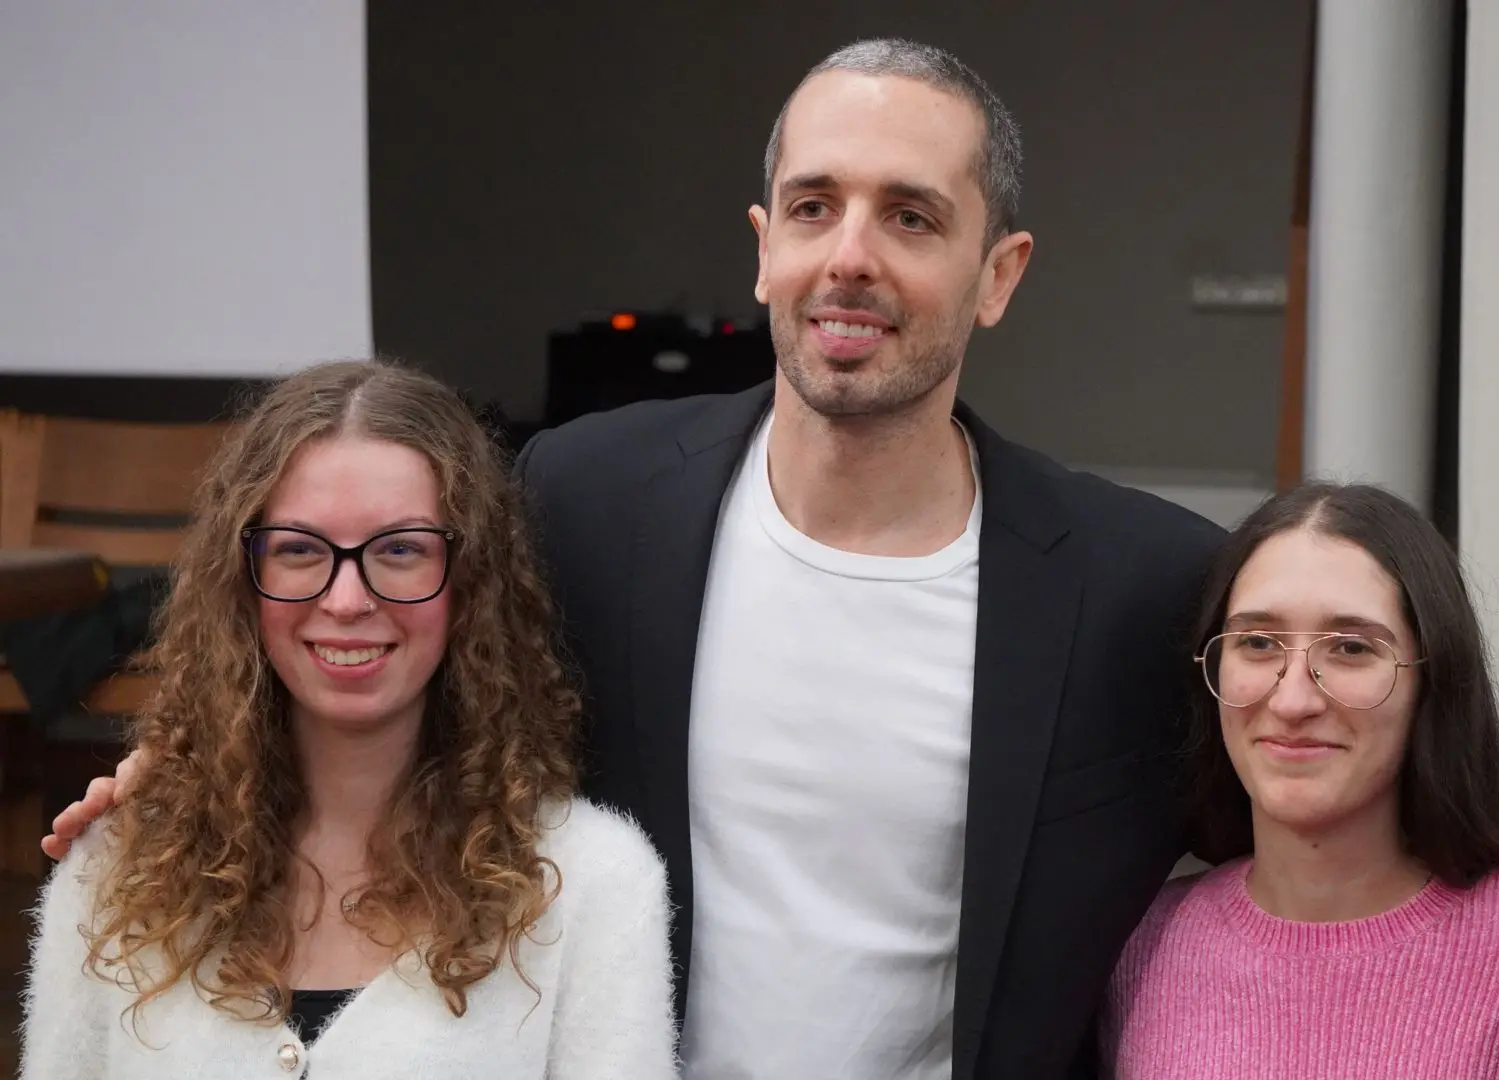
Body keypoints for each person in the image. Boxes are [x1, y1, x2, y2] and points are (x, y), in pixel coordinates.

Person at [47, 39, 1222, 1080]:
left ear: (1000, 272)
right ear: (765, 248)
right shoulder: (589, 496)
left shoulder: (1134, 584)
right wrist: (192, 763)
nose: (850, 256)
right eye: (814, 207)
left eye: (911, 217)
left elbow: (1314, 828)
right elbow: (384, 641)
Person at [23, 360, 676, 1079]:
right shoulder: (117, 874)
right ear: (242, 581)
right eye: (301, 550)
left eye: (400, 550)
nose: (346, 599)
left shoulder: (591, 884)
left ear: (473, 583)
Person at [1105, 482, 1499, 1078]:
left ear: (1432, 681)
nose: (1292, 699)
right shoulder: (1140, 943)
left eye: (1351, 648)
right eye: (1257, 642)